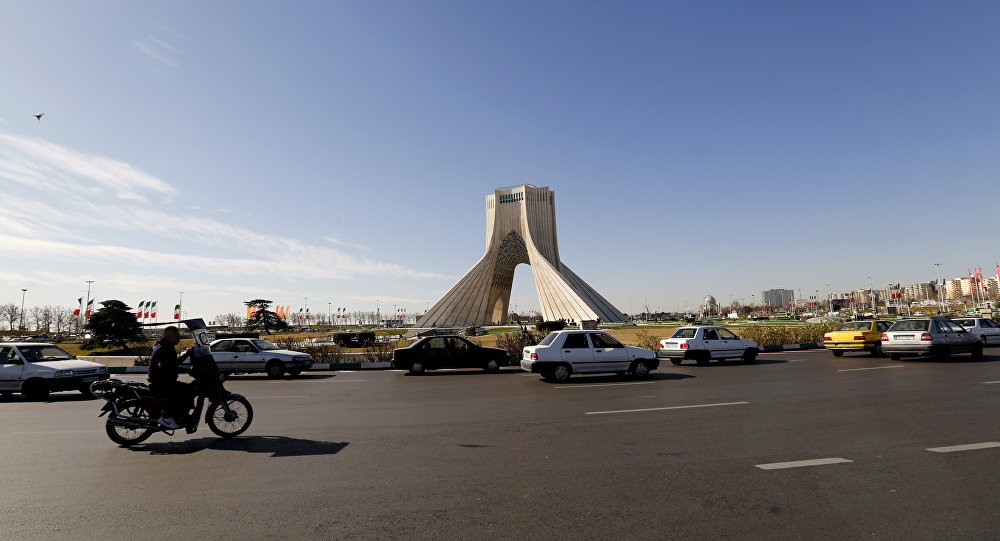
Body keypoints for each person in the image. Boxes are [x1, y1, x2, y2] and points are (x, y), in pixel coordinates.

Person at [147, 326, 194, 430]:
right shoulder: (166, 349)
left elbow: (172, 364)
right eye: (176, 336)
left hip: (160, 380)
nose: (179, 338)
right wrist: (186, 370)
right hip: (162, 382)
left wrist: (186, 355)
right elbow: (169, 367)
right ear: (169, 337)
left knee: (184, 388)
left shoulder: (163, 346)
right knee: (187, 390)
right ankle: (168, 417)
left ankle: (177, 416)